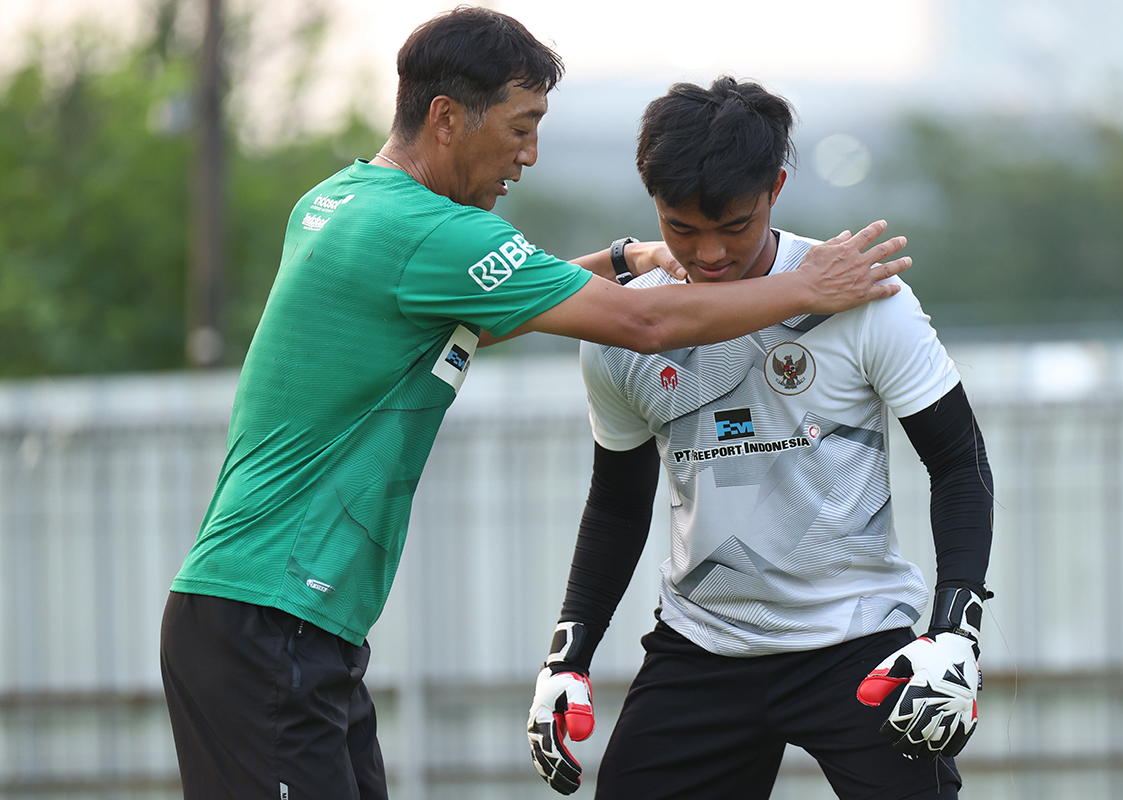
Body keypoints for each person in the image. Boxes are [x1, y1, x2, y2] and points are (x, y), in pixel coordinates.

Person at [159, 8, 914, 800]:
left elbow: (471, 309)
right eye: (522, 126)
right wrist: (805, 286)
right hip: (266, 618)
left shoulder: (343, 203)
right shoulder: (433, 233)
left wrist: (621, 257)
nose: (531, 153)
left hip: (290, 623)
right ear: (447, 119)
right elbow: (646, 323)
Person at [527, 77, 994, 800]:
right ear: (653, 200)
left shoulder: (864, 298)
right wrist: (567, 657)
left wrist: (954, 633)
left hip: (858, 640)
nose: (709, 254)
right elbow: (617, 504)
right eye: (682, 229)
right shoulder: (621, 330)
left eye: (734, 227)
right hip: (703, 644)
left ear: (774, 188)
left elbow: (959, 464)